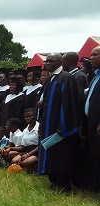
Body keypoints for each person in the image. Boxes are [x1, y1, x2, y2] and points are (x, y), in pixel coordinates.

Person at [37, 53, 80, 191]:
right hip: (48, 123)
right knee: (50, 153)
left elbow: (68, 104)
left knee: (61, 155)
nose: (47, 64)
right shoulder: (51, 79)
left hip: (59, 126)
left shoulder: (66, 78)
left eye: (51, 61)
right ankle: (53, 180)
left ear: (60, 62)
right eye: (46, 61)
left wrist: (63, 126)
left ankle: (63, 184)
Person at [82, 46, 100, 190]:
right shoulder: (95, 76)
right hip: (90, 123)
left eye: (95, 55)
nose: (91, 58)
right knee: (93, 155)